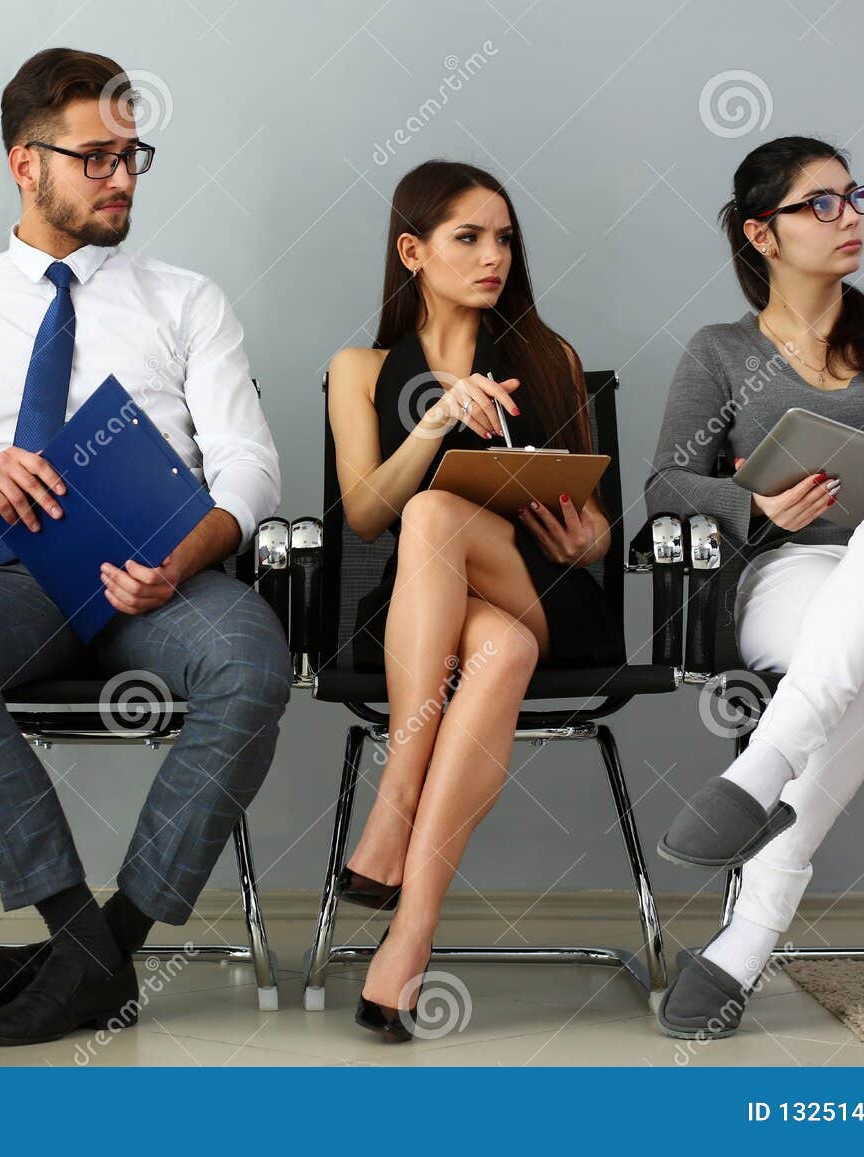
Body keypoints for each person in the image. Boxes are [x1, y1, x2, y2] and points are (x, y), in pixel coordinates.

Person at [0, 47, 291, 1047]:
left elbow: (249, 469)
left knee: (251, 657)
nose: (122, 177)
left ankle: (106, 948)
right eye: (95, 157)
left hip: (168, 574)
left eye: (133, 155)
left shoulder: (187, 300)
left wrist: (187, 553)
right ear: (25, 162)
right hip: (16, 578)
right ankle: (73, 932)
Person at [645, 136, 864, 1040]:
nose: (852, 217)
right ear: (763, 233)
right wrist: (755, 502)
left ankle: (761, 766)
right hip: (798, 576)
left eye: (855, 196)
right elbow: (665, 486)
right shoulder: (720, 352)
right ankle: (742, 946)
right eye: (822, 203)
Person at [325, 159, 623, 1041]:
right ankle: (409, 941)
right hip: (432, 612)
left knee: (439, 516)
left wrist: (589, 538)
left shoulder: (547, 355)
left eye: (503, 238)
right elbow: (365, 516)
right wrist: (433, 420)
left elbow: (598, 524)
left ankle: (394, 798)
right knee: (486, 632)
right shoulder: (361, 367)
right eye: (468, 237)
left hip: (547, 589)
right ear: (413, 250)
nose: (493, 255)